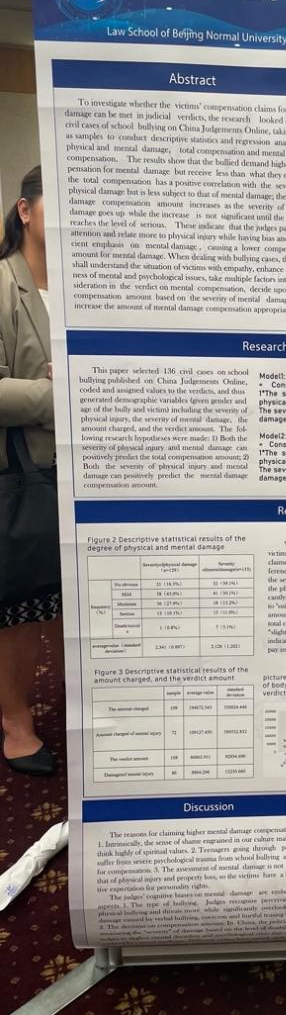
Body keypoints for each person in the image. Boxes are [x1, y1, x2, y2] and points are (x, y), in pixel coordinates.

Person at [0, 165, 60, 776]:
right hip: (24, 472)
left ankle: (83, 710)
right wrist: (57, 393)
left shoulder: (82, 285)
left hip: (91, 471)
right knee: (19, 606)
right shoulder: (2, 284)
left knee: (78, 603)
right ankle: (16, 723)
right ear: (25, 210)